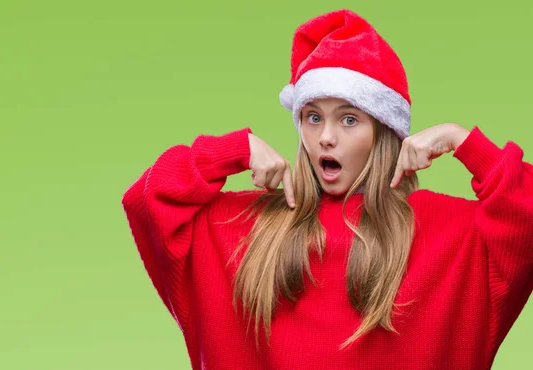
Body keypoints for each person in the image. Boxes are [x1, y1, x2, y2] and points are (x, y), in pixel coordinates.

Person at [121, 9, 533, 370]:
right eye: (313, 117)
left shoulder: (451, 236)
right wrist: (232, 151)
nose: (326, 138)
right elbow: (148, 199)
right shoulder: (245, 230)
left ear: (384, 132)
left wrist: (463, 141)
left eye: (349, 119)